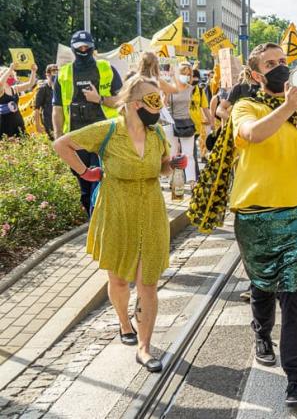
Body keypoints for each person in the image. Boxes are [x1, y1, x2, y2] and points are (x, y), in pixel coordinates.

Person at [188, 42, 297, 408]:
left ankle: (295, 376)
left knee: (293, 292)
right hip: (254, 214)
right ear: (255, 75)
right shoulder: (245, 106)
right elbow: (252, 135)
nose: (281, 67)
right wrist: (288, 108)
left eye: (284, 61)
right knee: (263, 284)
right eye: (271, 64)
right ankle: (262, 333)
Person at [53, 76, 184, 373]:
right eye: (153, 100)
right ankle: (124, 323)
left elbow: (162, 168)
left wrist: (171, 165)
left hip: (150, 211)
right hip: (116, 211)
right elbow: (62, 144)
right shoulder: (109, 130)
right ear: (135, 104)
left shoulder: (156, 135)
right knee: (119, 280)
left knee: (148, 283)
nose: (158, 105)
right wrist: (85, 172)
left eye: (159, 99)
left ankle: (145, 348)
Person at [53, 31, 123, 213]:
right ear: (73, 49)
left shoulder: (107, 68)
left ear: (92, 47)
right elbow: (57, 109)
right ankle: (91, 216)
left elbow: (122, 101)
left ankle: (98, 223)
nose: (83, 50)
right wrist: (58, 137)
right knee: (85, 189)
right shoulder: (64, 73)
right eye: (79, 48)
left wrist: (98, 98)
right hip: (76, 138)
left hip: (105, 135)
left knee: (102, 183)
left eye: (86, 46)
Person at [160, 62, 199, 188]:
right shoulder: (170, 88)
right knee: (172, 153)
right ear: (177, 73)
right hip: (171, 123)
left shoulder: (191, 88)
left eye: (188, 74)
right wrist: (165, 94)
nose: (186, 76)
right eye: (183, 73)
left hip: (186, 122)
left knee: (189, 154)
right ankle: (172, 178)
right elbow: (162, 105)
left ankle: (192, 182)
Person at [0, 64, 38, 138]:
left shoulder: (14, 88)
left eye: (12, 75)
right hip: (4, 123)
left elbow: (30, 84)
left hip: (17, 121)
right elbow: (1, 83)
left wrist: (33, 71)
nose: (12, 78)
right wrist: (10, 69)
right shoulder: (1, 90)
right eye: (10, 76)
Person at [35, 64, 59, 138]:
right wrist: (38, 125)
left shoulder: (60, 87)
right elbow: (36, 108)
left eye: (57, 71)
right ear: (47, 74)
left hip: (60, 120)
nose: (56, 73)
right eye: (53, 71)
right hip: (48, 121)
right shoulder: (43, 88)